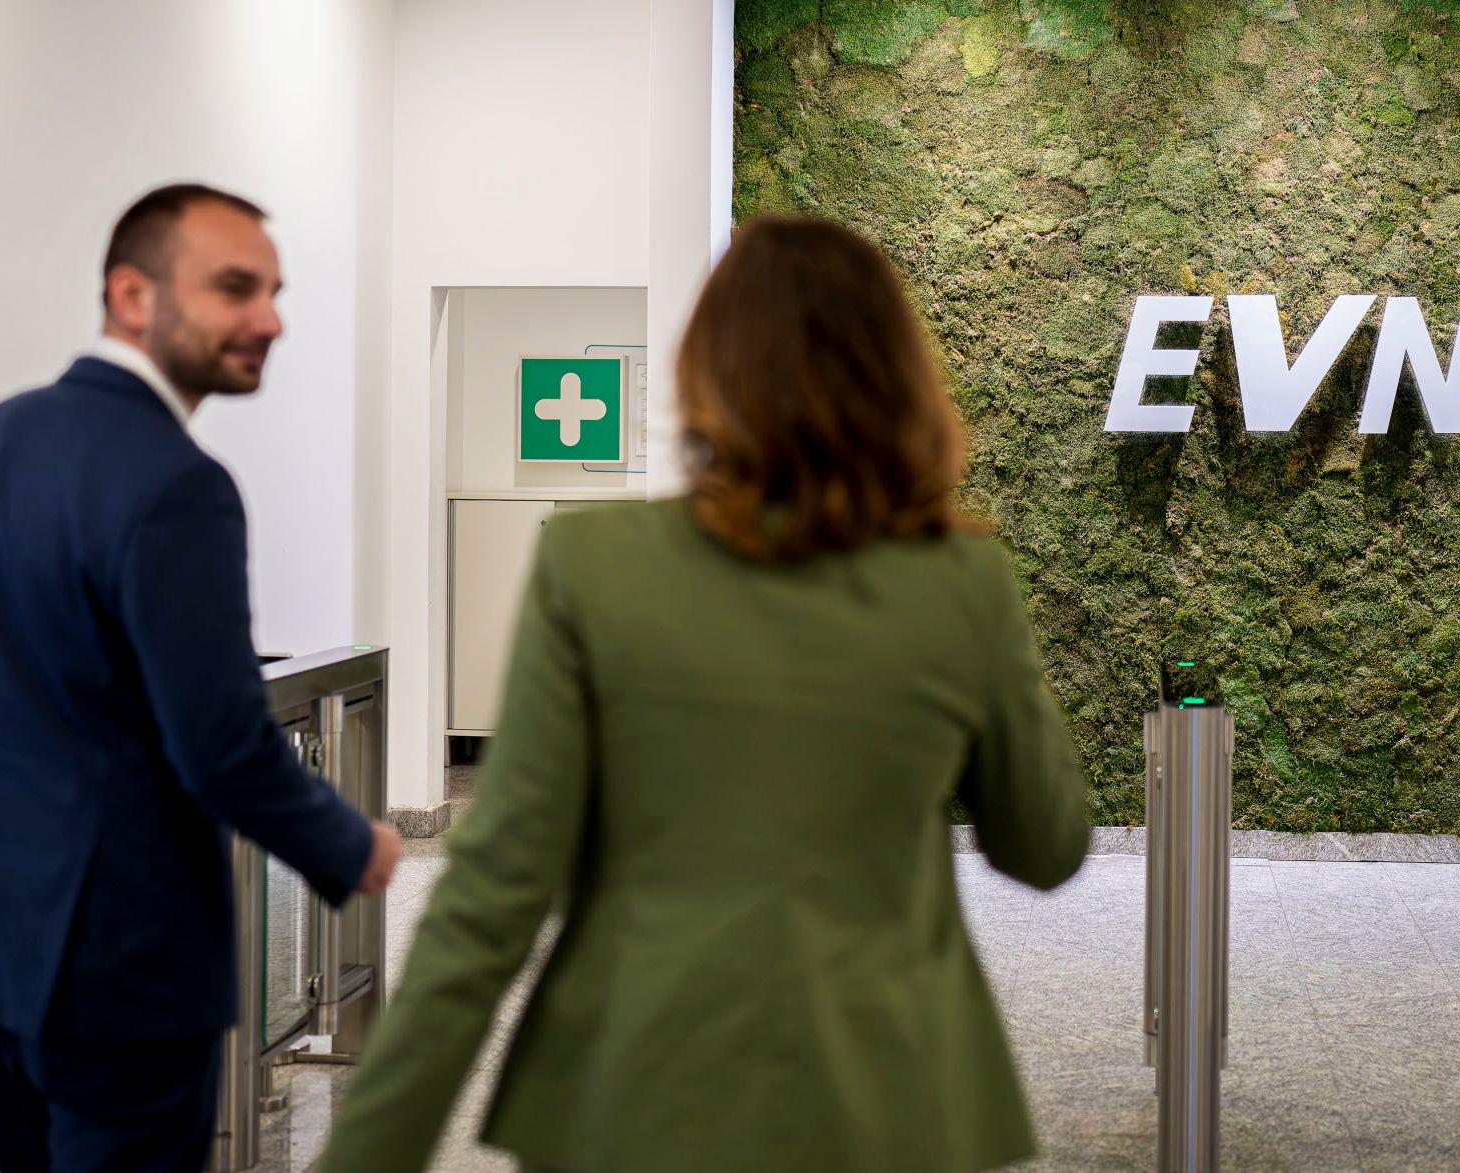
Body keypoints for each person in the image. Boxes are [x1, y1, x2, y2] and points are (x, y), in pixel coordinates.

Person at [317, 215, 1091, 1173]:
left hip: (637, 1097)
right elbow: (1046, 845)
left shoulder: (595, 565)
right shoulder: (961, 583)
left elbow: (494, 890)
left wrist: (365, 1156)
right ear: (899, 379)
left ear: (707, 370)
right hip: (890, 1101)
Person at [0, 183, 402, 1173]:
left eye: (272, 291)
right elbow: (218, 740)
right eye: (234, 288)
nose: (269, 319)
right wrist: (350, 845)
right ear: (132, 295)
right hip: (119, 969)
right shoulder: (177, 482)